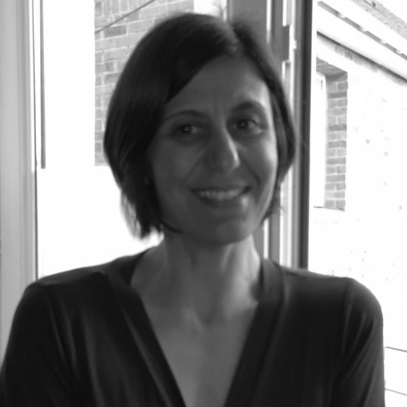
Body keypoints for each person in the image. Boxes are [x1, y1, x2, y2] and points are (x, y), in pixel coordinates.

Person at [0, 12, 384, 407]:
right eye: (186, 129)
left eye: (246, 123)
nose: (224, 157)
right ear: (141, 158)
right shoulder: (59, 322)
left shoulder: (343, 323)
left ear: (279, 142)